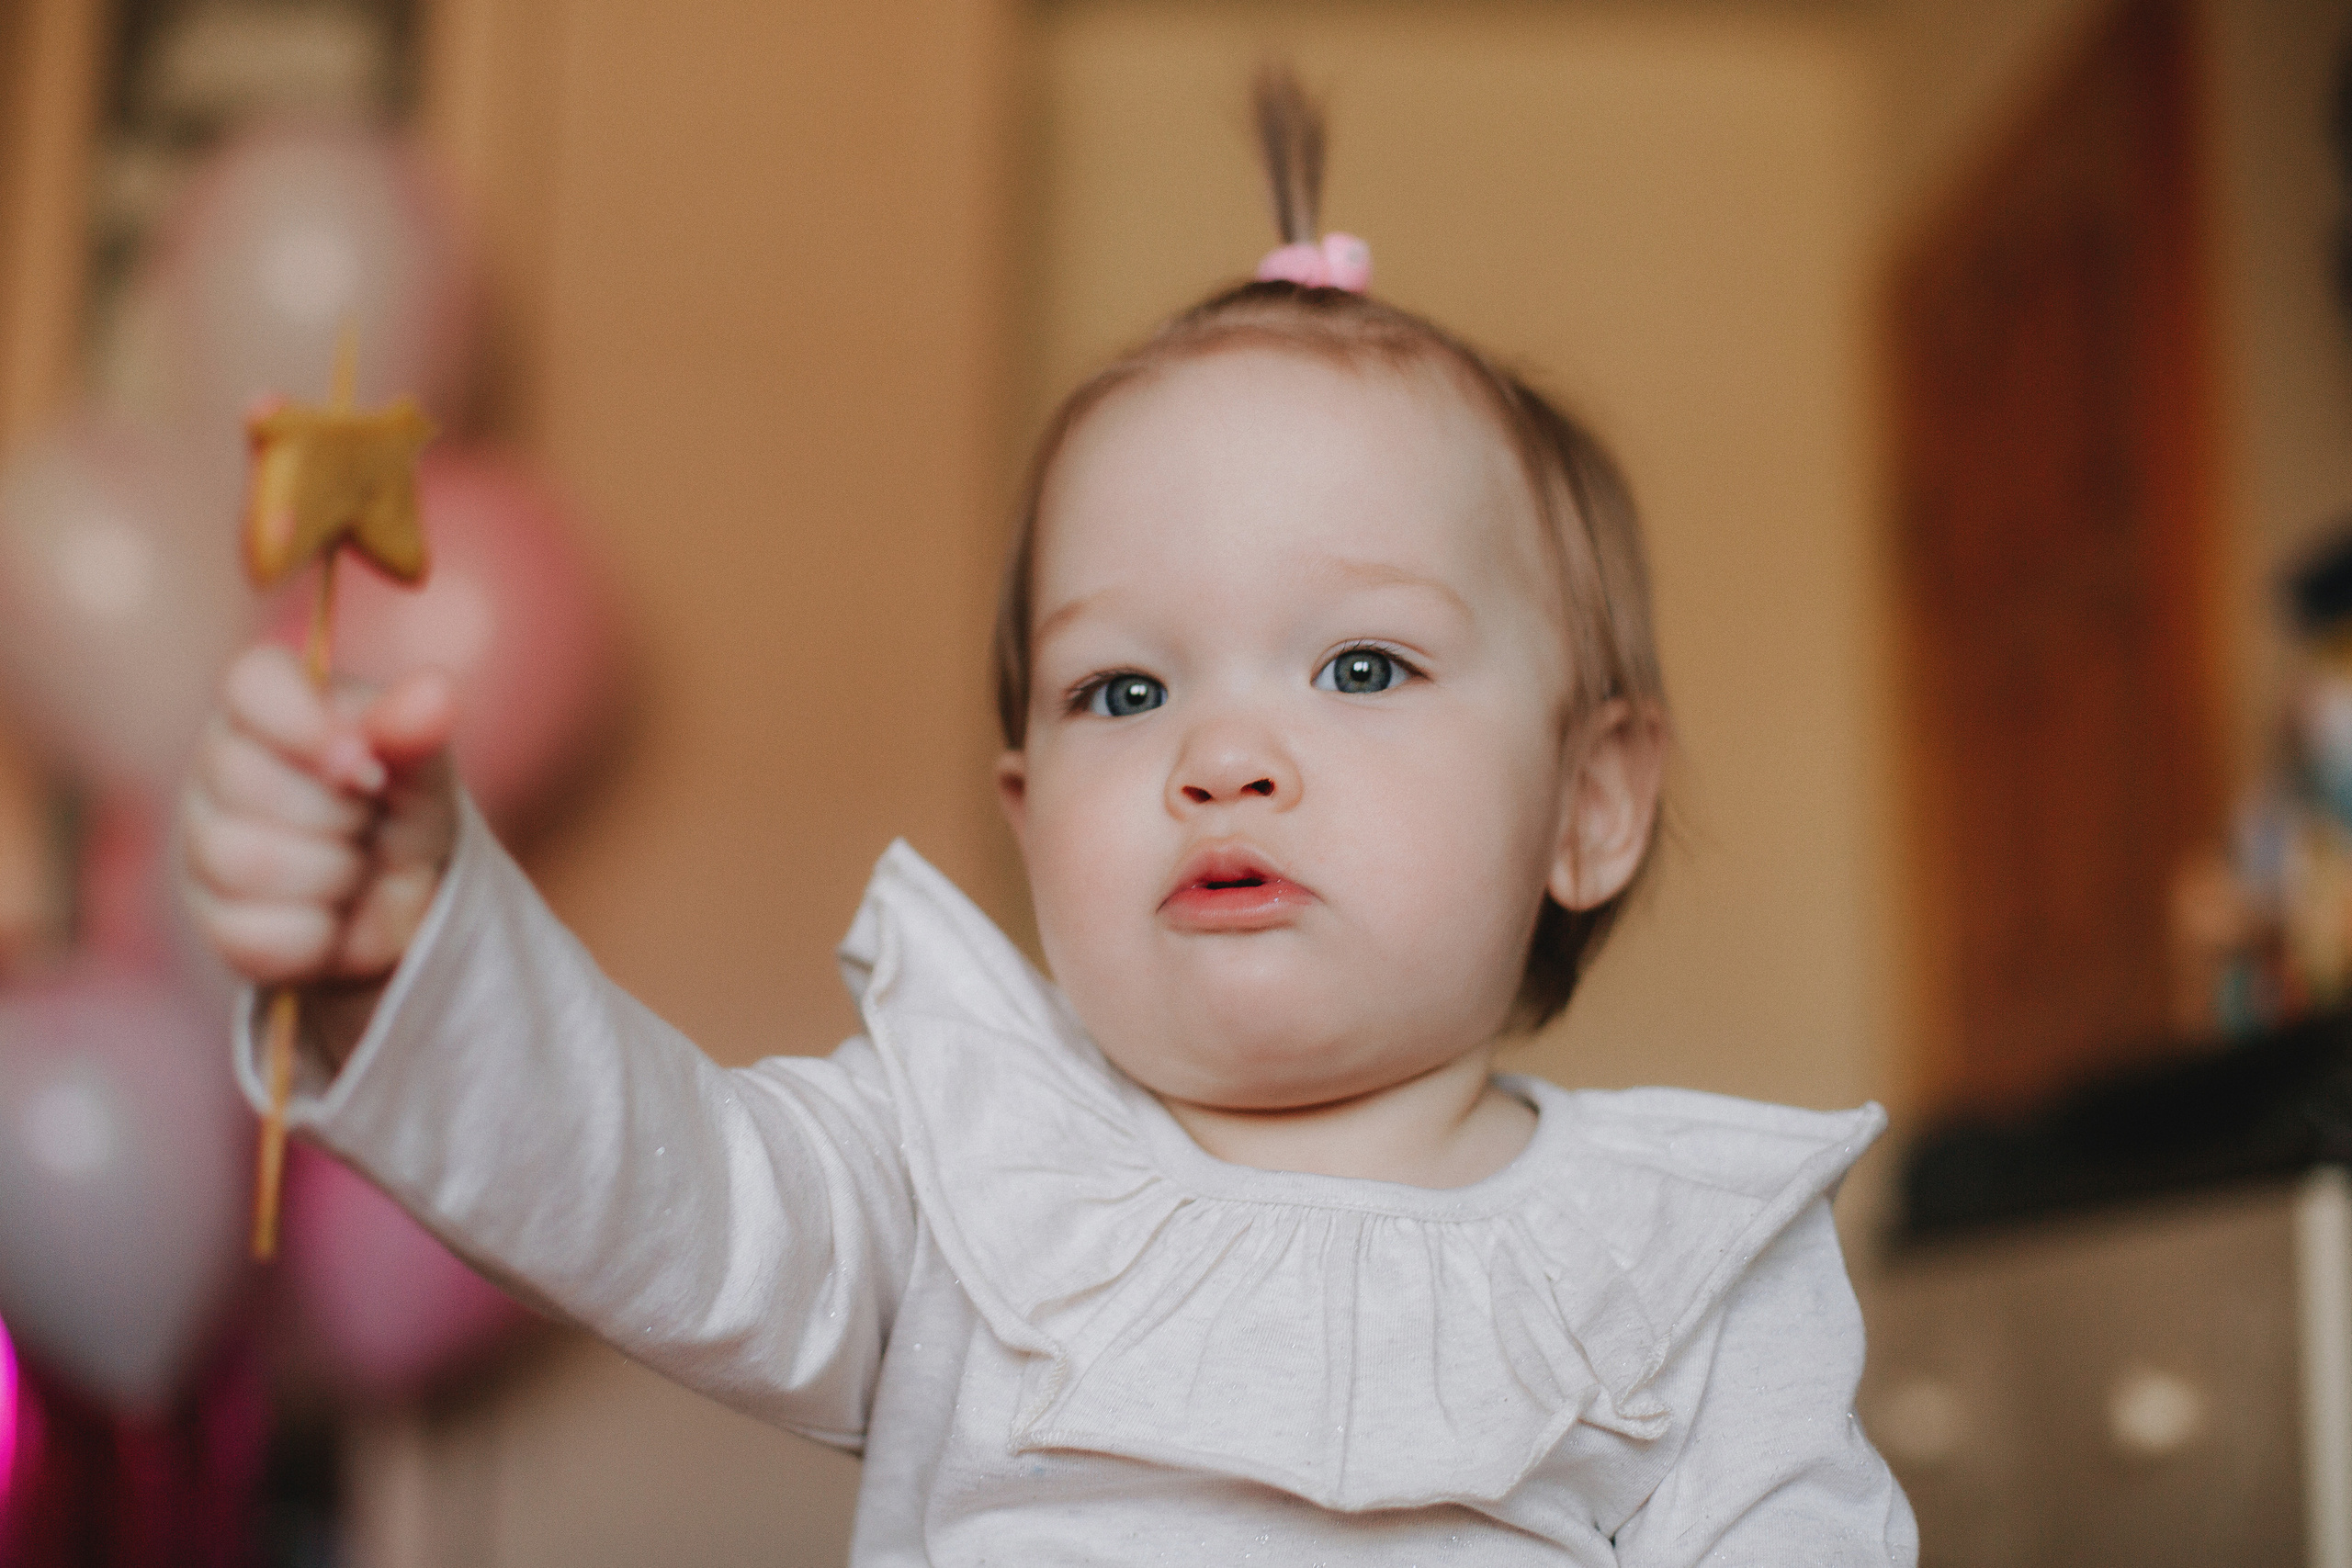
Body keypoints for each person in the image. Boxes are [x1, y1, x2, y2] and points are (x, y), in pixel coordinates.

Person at [179, 73, 1916, 1566]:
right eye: (1125, 694)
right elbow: (664, 1184)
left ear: (1591, 806)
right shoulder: (963, 1168)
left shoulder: (1683, 1268)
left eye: (1364, 666)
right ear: (1024, 813)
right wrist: (421, 945)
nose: (1220, 763)